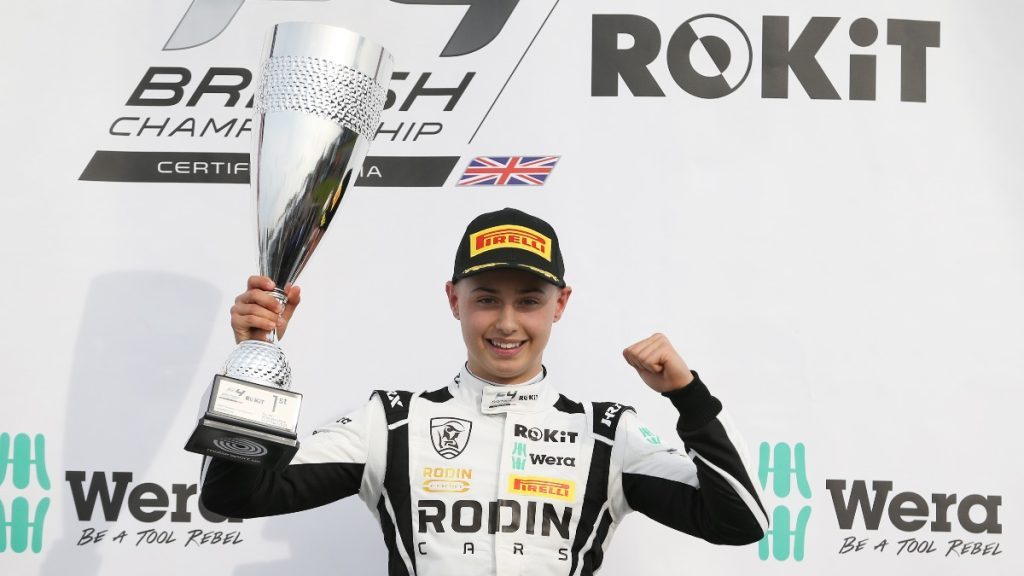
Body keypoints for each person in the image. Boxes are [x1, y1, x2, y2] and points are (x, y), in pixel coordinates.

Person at [200, 207, 768, 575]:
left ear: (559, 305)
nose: (505, 323)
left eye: (528, 301)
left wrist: (689, 399)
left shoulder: (605, 433)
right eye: (486, 298)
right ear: (454, 300)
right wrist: (254, 360)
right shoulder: (392, 423)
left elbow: (740, 523)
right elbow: (234, 497)